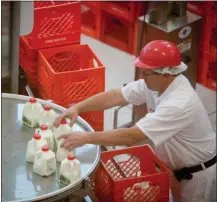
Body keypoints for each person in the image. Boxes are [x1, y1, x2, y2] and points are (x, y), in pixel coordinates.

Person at [54, 40, 216, 202]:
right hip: (177, 171)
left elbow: (133, 136)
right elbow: (117, 96)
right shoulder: (157, 84)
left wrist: (87, 138)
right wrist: (78, 108)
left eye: (145, 73)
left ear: (166, 73)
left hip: (197, 177)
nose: (141, 77)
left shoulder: (179, 103)